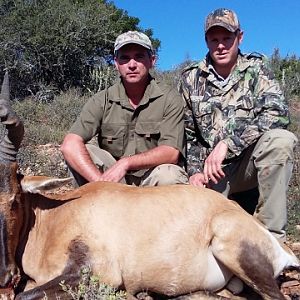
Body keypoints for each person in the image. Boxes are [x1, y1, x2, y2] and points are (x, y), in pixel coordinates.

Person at [178, 8, 298, 241]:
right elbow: (188, 134)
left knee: (281, 140)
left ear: (239, 37)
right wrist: (194, 172)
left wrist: (228, 143)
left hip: (246, 167)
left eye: (227, 38)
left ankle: (272, 239)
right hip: (211, 173)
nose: (221, 46)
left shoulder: (257, 69)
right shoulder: (190, 78)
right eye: (214, 40)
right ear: (206, 41)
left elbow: (278, 114)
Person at [61, 31, 188, 187]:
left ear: (152, 60)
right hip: (113, 182)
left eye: (139, 57)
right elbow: (70, 144)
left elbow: (171, 152)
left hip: (150, 180)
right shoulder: (101, 100)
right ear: (116, 63)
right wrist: (100, 184)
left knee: (169, 175)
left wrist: (126, 163)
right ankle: (98, 207)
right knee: (84, 151)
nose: (132, 64)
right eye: (125, 58)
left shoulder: (169, 98)